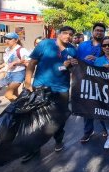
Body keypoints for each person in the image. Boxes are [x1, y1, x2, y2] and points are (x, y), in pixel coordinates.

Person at [22, 26, 78, 162]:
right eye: (65, 33)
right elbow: (32, 63)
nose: (68, 36)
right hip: (41, 88)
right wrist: (28, 82)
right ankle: (33, 149)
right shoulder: (45, 44)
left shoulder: (72, 49)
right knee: (36, 119)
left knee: (59, 118)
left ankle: (58, 139)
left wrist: (71, 65)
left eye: (70, 34)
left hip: (61, 90)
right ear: (59, 34)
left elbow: (72, 71)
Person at [77, 23, 107, 144]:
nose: (99, 33)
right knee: (87, 107)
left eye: (101, 31)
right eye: (97, 30)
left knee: (103, 107)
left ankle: (107, 129)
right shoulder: (82, 46)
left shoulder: (107, 45)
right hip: (85, 81)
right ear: (92, 31)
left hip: (102, 82)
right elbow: (77, 62)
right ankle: (88, 132)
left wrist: (97, 60)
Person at [0, 32, 30, 101]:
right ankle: (17, 109)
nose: (7, 41)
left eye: (9, 39)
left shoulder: (21, 50)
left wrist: (15, 62)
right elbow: (7, 62)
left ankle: (23, 107)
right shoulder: (7, 50)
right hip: (9, 74)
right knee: (14, 94)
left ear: (16, 40)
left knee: (8, 95)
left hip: (18, 74)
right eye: (5, 39)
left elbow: (29, 61)